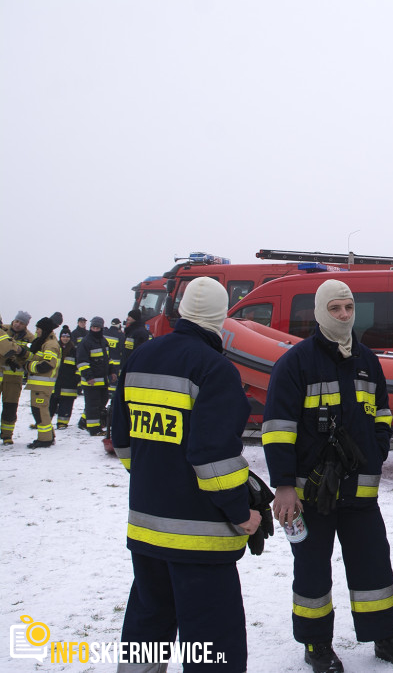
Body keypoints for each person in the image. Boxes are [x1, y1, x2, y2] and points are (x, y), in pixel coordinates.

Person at [262, 279, 393, 673]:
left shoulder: (368, 360)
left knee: (374, 567)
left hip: (360, 492)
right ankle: (317, 645)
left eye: (349, 308)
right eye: (335, 308)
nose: (344, 315)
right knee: (313, 570)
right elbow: (278, 429)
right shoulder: (294, 363)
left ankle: (386, 637)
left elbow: (383, 413)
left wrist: (377, 450)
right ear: (319, 312)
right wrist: (283, 486)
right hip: (309, 494)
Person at [111, 276, 261, 672]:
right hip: (200, 539)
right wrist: (241, 513)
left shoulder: (140, 358)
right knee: (212, 644)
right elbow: (213, 459)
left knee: (146, 629)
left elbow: (122, 441)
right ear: (221, 315)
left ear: (179, 310)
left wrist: (155, 478)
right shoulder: (215, 369)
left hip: (145, 529)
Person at [25, 315, 61, 448]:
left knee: (40, 411)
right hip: (39, 385)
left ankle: (45, 439)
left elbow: (46, 364)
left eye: (38, 328)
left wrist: (28, 366)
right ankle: (48, 436)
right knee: (39, 411)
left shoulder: (50, 344)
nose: (37, 331)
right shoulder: (44, 342)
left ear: (44, 329)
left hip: (42, 386)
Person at [1, 310, 35, 444]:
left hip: (14, 379)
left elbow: (33, 356)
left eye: (21, 323)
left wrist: (22, 354)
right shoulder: (3, 329)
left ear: (26, 325)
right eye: (16, 321)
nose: (17, 325)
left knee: (10, 407)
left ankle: (7, 435)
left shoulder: (30, 339)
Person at [76, 316, 111, 436]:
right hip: (91, 381)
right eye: (93, 327)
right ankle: (94, 429)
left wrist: (112, 372)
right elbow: (82, 362)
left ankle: (83, 421)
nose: (95, 330)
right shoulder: (86, 342)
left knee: (102, 402)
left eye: (97, 328)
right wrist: (89, 377)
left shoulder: (103, 341)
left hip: (102, 381)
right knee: (92, 405)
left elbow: (108, 360)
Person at [51, 325, 79, 430]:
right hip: (55, 381)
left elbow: (78, 366)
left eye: (67, 337)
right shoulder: (55, 348)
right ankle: (45, 421)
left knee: (66, 404)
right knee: (51, 402)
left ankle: (62, 423)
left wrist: (77, 378)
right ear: (60, 337)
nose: (65, 338)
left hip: (69, 383)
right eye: (63, 336)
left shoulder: (74, 350)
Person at [104, 317, 126, 400]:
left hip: (105, 361)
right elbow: (122, 349)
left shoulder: (104, 333)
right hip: (115, 363)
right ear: (119, 324)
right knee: (113, 380)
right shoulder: (120, 335)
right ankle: (112, 395)